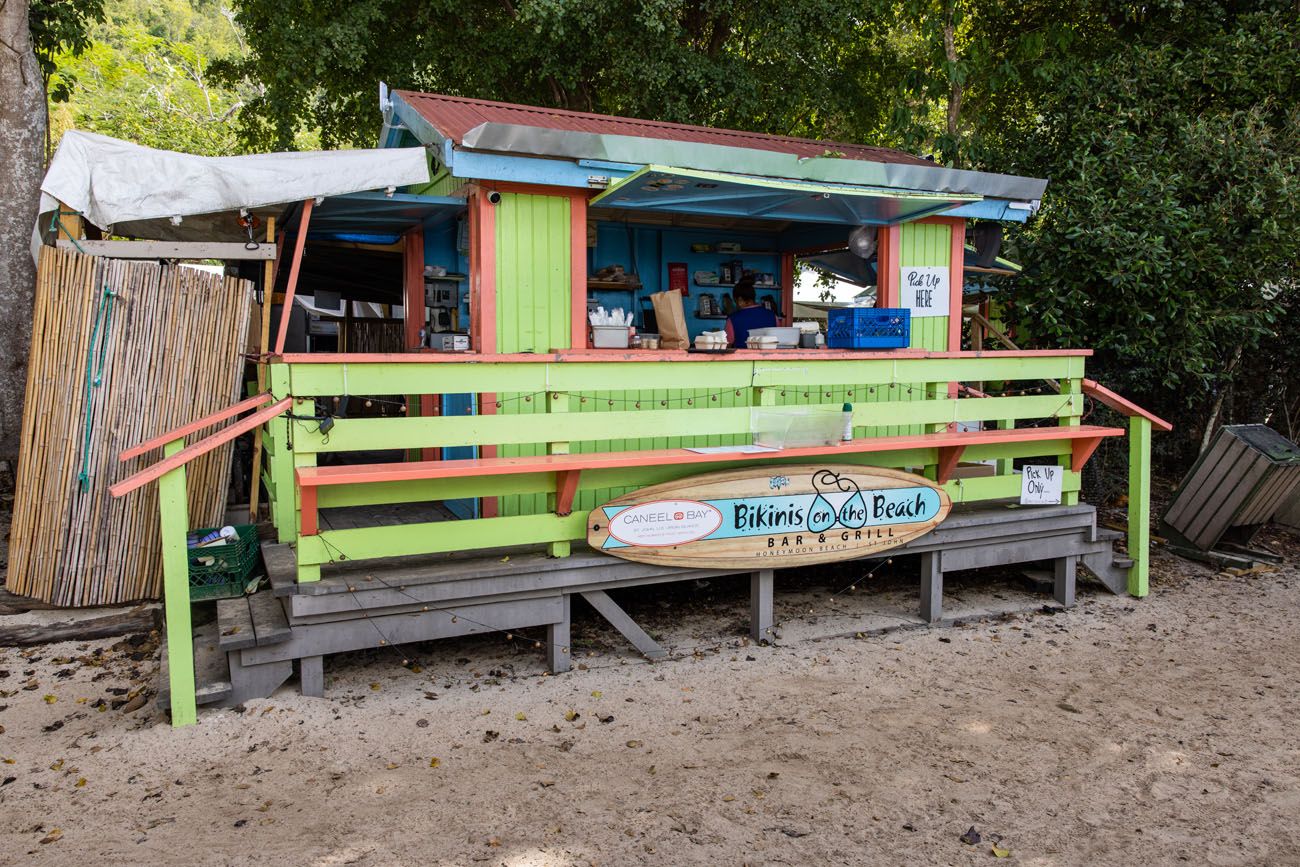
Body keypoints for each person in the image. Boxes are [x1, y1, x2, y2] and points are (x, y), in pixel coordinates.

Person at [724, 276, 778, 348]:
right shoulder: (772, 316)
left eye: (735, 301)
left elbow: (727, 345)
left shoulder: (732, 319)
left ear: (740, 300)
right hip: (769, 357)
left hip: (742, 358)